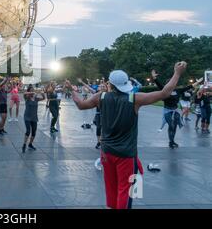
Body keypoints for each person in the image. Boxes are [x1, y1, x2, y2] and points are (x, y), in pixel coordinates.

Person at [66, 61, 187, 209]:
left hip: (107, 152)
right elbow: (165, 93)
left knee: (111, 187)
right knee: (126, 189)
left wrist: (71, 90)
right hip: (126, 154)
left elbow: (80, 105)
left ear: (110, 83)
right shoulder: (134, 99)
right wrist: (177, 73)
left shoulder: (101, 97)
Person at [152, 70, 202, 148]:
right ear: (168, 84)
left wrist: (198, 82)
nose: (173, 85)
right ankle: (171, 142)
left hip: (175, 111)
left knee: (174, 126)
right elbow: (158, 84)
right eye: (170, 84)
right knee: (171, 125)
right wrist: (154, 77)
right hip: (167, 111)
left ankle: (172, 141)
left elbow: (189, 87)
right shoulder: (165, 90)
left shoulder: (178, 90)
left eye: (173, 84)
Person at [22, 85, 46, 153]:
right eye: (31, 90)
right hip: (27, 117)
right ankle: (24, 144)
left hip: (34, 117)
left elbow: (44, 98)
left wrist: (42, 93)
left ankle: (30, 144)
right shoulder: (27, 98)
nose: (33, 91)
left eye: (33, 90)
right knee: (28, 131)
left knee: (34, 132)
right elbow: (24, 93)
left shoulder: (36, 98)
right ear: (29, 91)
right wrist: (32, 93)